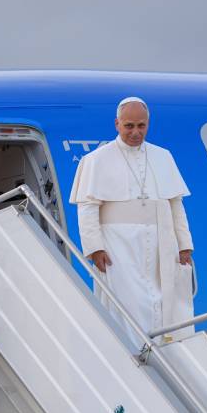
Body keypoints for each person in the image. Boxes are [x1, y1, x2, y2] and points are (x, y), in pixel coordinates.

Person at [69, 97, 195, 343]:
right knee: (130, 304)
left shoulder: (163, 156)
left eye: (141, 126)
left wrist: (184, 245)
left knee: (163, 301)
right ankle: (135, 352)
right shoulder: (96, 160)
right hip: (119, 244)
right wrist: (95, 248)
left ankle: (163, 350)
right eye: (129, 126)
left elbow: (176, 205)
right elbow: (88, 208)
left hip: (161, 241)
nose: (136, 132)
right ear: (117, 124)